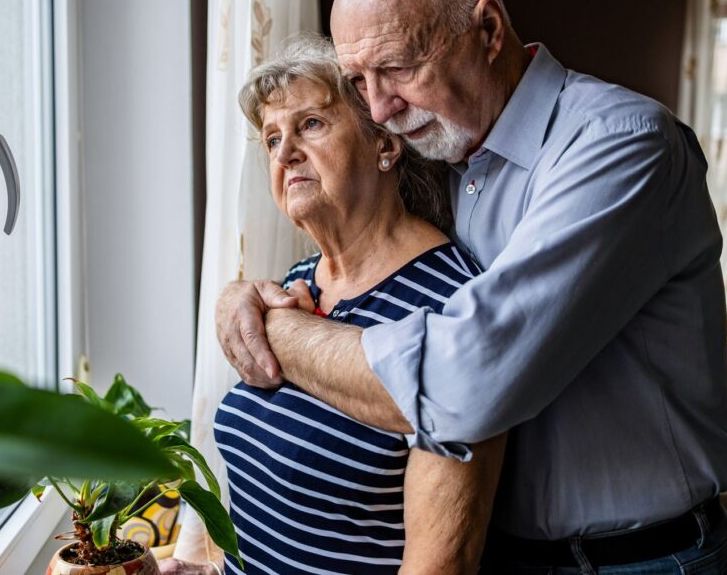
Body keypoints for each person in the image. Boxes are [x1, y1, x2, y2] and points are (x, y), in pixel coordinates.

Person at [215, 0, 727, 574]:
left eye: (399, 68)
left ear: (489, 29)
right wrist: (239, 294)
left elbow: (463, 384)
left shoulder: (619, 144)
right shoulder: (448, 152)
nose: (380, 109)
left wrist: (277, 331)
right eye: (359, 81)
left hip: (641, 561)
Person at [163, 34, 506, 574]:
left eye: (311, 125)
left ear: (385, 145)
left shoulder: (452, 306)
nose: (285, 153)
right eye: (272, 139)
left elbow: (440, 565)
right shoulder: (297, 285)